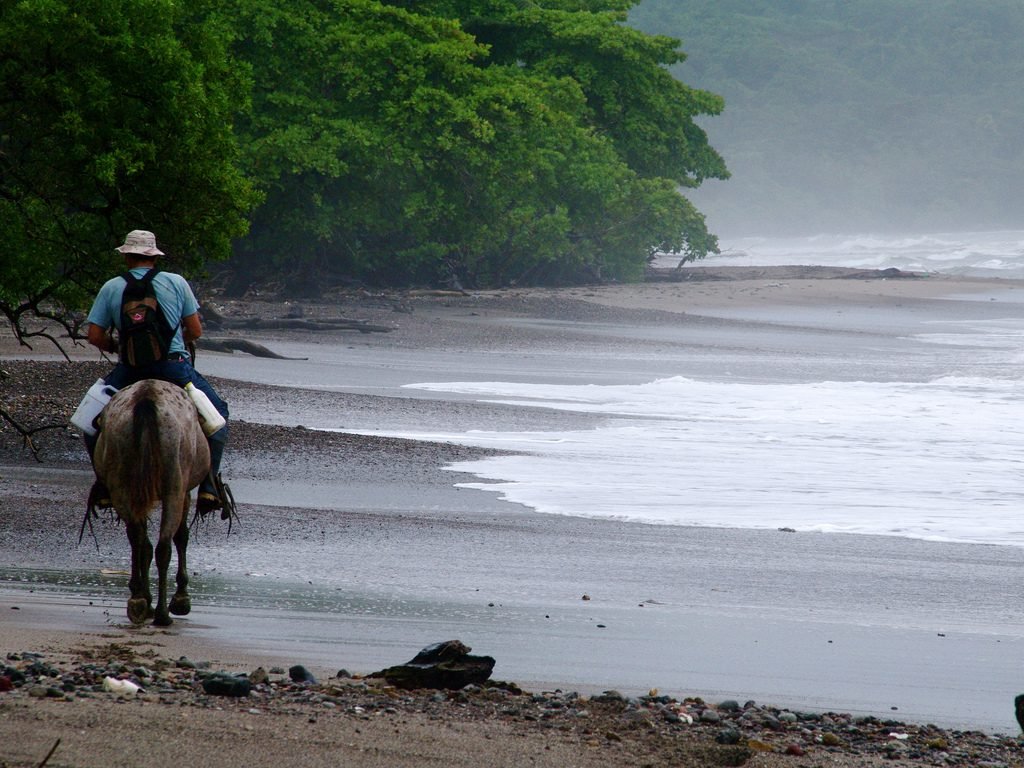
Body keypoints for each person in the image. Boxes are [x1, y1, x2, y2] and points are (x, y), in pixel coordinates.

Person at [84, 229, 228, 516]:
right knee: (219, 414)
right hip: (173, 367)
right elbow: (196, 330)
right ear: (153, 257)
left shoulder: (111, 287)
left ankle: (103, 485)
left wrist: (117, 346)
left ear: (127, 256)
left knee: (88, 421)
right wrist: (172, 344)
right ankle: (210, 485)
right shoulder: (176, 283)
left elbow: (94, 335)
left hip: (130, 369)